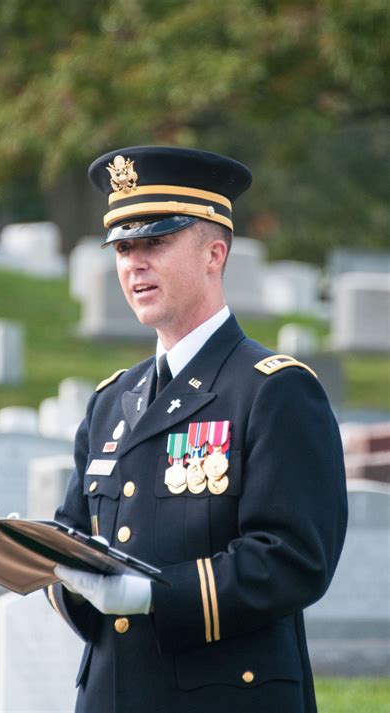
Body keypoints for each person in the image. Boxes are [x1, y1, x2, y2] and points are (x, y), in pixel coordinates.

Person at [46, 146, 348, 713]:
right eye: (123, 247)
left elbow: (292, 559)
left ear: (215, 253)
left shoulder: (273, 391)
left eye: (155, 243)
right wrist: (44, 565)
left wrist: (154, 595)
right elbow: (75, 533)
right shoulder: (111, 401)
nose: (134, 263)